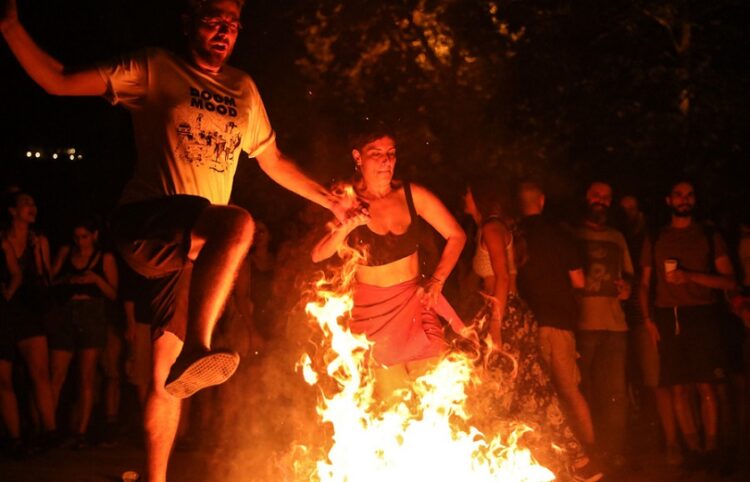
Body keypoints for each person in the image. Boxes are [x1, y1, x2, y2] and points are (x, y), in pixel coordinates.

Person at [2, 1, 346, 479]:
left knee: (165, 381)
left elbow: (274, 161)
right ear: (187, 22)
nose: (224, 31)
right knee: (237, 224)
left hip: (189, 251)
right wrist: (10, 26)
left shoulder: (243, 89)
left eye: (233, 25)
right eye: (213, 20)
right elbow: (58, 79)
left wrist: (330, 201)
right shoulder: (154, 67)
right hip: (145, 224)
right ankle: (199, 347)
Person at [311, 123, 467, 400]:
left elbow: (456, 235)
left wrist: (437, 281)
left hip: (417, 307)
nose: (386, 160)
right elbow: (318, 254)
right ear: (358, 157)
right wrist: (346, 226)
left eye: (391, 153)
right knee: (397, 410)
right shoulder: (347, 200)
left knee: (437, 400)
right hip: (374, 320)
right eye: (377, 153)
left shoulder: (412, 194)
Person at [464, 176, 602, 481]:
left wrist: (496, 327)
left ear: (480, 197)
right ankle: (576, 464)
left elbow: (501, 277)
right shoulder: (493, 227)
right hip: (510, 314)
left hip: (506, 316)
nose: (464, 197)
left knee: (503, 393)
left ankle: (572, 463)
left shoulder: (491, 228)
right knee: (533, 392)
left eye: (468, 193)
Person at [639, 180, 736, 467]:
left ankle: (711, 450)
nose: (684, 200)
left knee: (707, 385)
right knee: (678, 387)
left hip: (702, 313)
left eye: (689, 195)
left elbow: (729, 281)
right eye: (679, 195)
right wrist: (647, 319)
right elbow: (644, 283)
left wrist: (690, 276)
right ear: (668, 200)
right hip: (668, 315)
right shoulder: (656, 237)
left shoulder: (707, 234)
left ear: (695, 200)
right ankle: (693, 450)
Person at [516, 181, 596, 450]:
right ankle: (588, 448)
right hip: (561, 321)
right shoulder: (560, 235)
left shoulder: (515, 236)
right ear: (542, 201)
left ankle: (555, 453)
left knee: (540, 392)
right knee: (570, 391)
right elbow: (579, 281)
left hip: (528, 323)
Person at [573, 181, 632, 469]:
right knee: (585, 390)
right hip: (583, 324)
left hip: (615, 326)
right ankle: (590, 451)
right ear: (587, 197)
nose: (601, 201)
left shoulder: (618, 237)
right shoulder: (572, 235)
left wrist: (627, 290)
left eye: (607, 197)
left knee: (615, 393)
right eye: (596, 195)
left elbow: (629, 279)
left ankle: (615, 452)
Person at [48, 218, 118, 448]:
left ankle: (80, 432)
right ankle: (48, 428)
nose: (79, 242)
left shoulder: (104, 258)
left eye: (84, 237)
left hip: (92, 314)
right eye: (76, 237)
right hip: (67, 313)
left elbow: (114, 293)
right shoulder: (67, 253)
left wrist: (95, 279)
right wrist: (68, 279)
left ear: (94, 235)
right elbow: (50, 280)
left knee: (85, 376)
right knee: (56, 373)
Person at [0, 191, 58, 447]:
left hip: (30, 309)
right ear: (12, 211)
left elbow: (47, 278)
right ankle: (15, 437)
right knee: (5, 378)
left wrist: (36, 255)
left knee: (40, 373)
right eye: (25, 203)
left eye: (33, 203)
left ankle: (49, 431)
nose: (32, 207)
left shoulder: (39, 240)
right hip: (5, 312)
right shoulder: (2, 240)